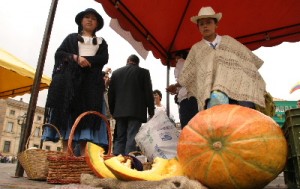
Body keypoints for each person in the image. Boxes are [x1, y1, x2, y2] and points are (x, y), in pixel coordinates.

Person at [42, 8, 109, 155]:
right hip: (71, 85)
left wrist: (88, 61)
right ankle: (67, 152)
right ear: (81, 21)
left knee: (87, 117)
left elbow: (104, 58)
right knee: (69, 116)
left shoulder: (101, 42)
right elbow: (59, 54)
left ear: (97, 24)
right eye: (87, 17)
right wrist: (76, 58)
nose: (90, 20)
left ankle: (84, 156)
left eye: (93, 18)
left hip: (90, 87)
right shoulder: (71, 38)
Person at [178, 6, 266, 111]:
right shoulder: (196, 49)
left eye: (209, 22)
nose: (205, 26)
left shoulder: (229, 42)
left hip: (237, 94)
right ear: (198, 28)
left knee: (241, 122)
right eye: (201, 24)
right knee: (218, 124)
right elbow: (187, 76)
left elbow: (247, 61)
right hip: (211, 97)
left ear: (216, 24)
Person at [108, 54, 155, 155]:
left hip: (119, 112)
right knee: (132, 136)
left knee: (120, 137)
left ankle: (117, 162)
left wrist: (112, 111)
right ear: (137, 63)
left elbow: (111, 94)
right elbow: (148, 93)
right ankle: (129, 163)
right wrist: (151, 111)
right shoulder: (143, 72)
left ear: (127, 60)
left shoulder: (116, 73)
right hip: (136, 111)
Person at [166, 50, 198, 129]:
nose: (176, 60)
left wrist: (174, 86)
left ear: (180, 55)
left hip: (187, 99)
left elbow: (186, 80)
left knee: (187, 128)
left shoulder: (181, 62)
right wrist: (176, 89)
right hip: (194, 98)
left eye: (176, 58)